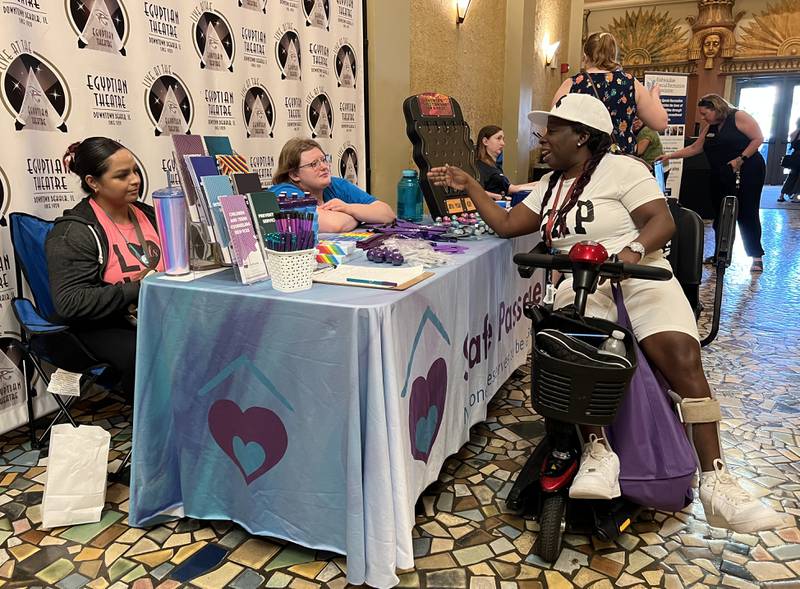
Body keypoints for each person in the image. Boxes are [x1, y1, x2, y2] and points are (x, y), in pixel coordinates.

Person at [428, 94, 787, 533]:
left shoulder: (624, 170)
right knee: (580, 353)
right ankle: (599, 453)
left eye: (553, 131)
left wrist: (629, 251)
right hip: (581, 284)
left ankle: (716, 480)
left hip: (638, 272)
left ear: (582, 136)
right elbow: (506, 226)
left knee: (680, 355)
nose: (543, 139)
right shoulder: (548, 187)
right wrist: (471, 186)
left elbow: (662, 221)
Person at [46, 138, 164, 397]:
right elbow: (70, 302)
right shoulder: (72, 233)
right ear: (93, 182)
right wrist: (139, 288)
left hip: (156, 314)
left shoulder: (151, 214)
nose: (135, 180)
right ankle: (157, 429)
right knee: (152, 351)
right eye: (122, 175)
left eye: (134, 171)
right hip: (99, 325)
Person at [658, 94, 766, 272]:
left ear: (716, 109)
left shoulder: (738, 117)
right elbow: (695, 148)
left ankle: (756, 256)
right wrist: (670, 156)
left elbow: (758, 138)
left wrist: (741, 159)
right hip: (721, 172)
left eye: (705, 113)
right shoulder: (710, 126)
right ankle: (721, 254)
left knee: (747, 212)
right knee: (721, 213)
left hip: (747, 170)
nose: (703, 117)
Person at [552, 32, 668, 155]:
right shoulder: (630, 84)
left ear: (585, 56)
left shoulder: (572, 84)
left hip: (583, 162)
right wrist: (654, 94)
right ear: (614, 55)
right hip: (621, 162)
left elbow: (551, 128)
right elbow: (660, 123)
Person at [271, 138, 395, 232]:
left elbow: (387, 214)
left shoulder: (335, 185)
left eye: (324, 160)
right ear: (294, 175)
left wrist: (348, 208)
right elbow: (335, 225)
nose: (324, 167)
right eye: (314, 164)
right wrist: (362, 216)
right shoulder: (284, 193)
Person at [475, 125, 536, 199]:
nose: (503, 143)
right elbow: (474, 190)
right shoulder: (478, 166)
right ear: (485, 141)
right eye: (498, 138)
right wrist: (498, 197)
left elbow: (511, 188)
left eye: (503, 139)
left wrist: (540, 184)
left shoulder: (495, 166)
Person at [779, 118, 800, 203]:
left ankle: (782, 195)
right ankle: (796, 195)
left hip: (795, 156)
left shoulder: (793, 133)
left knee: (792, 175)